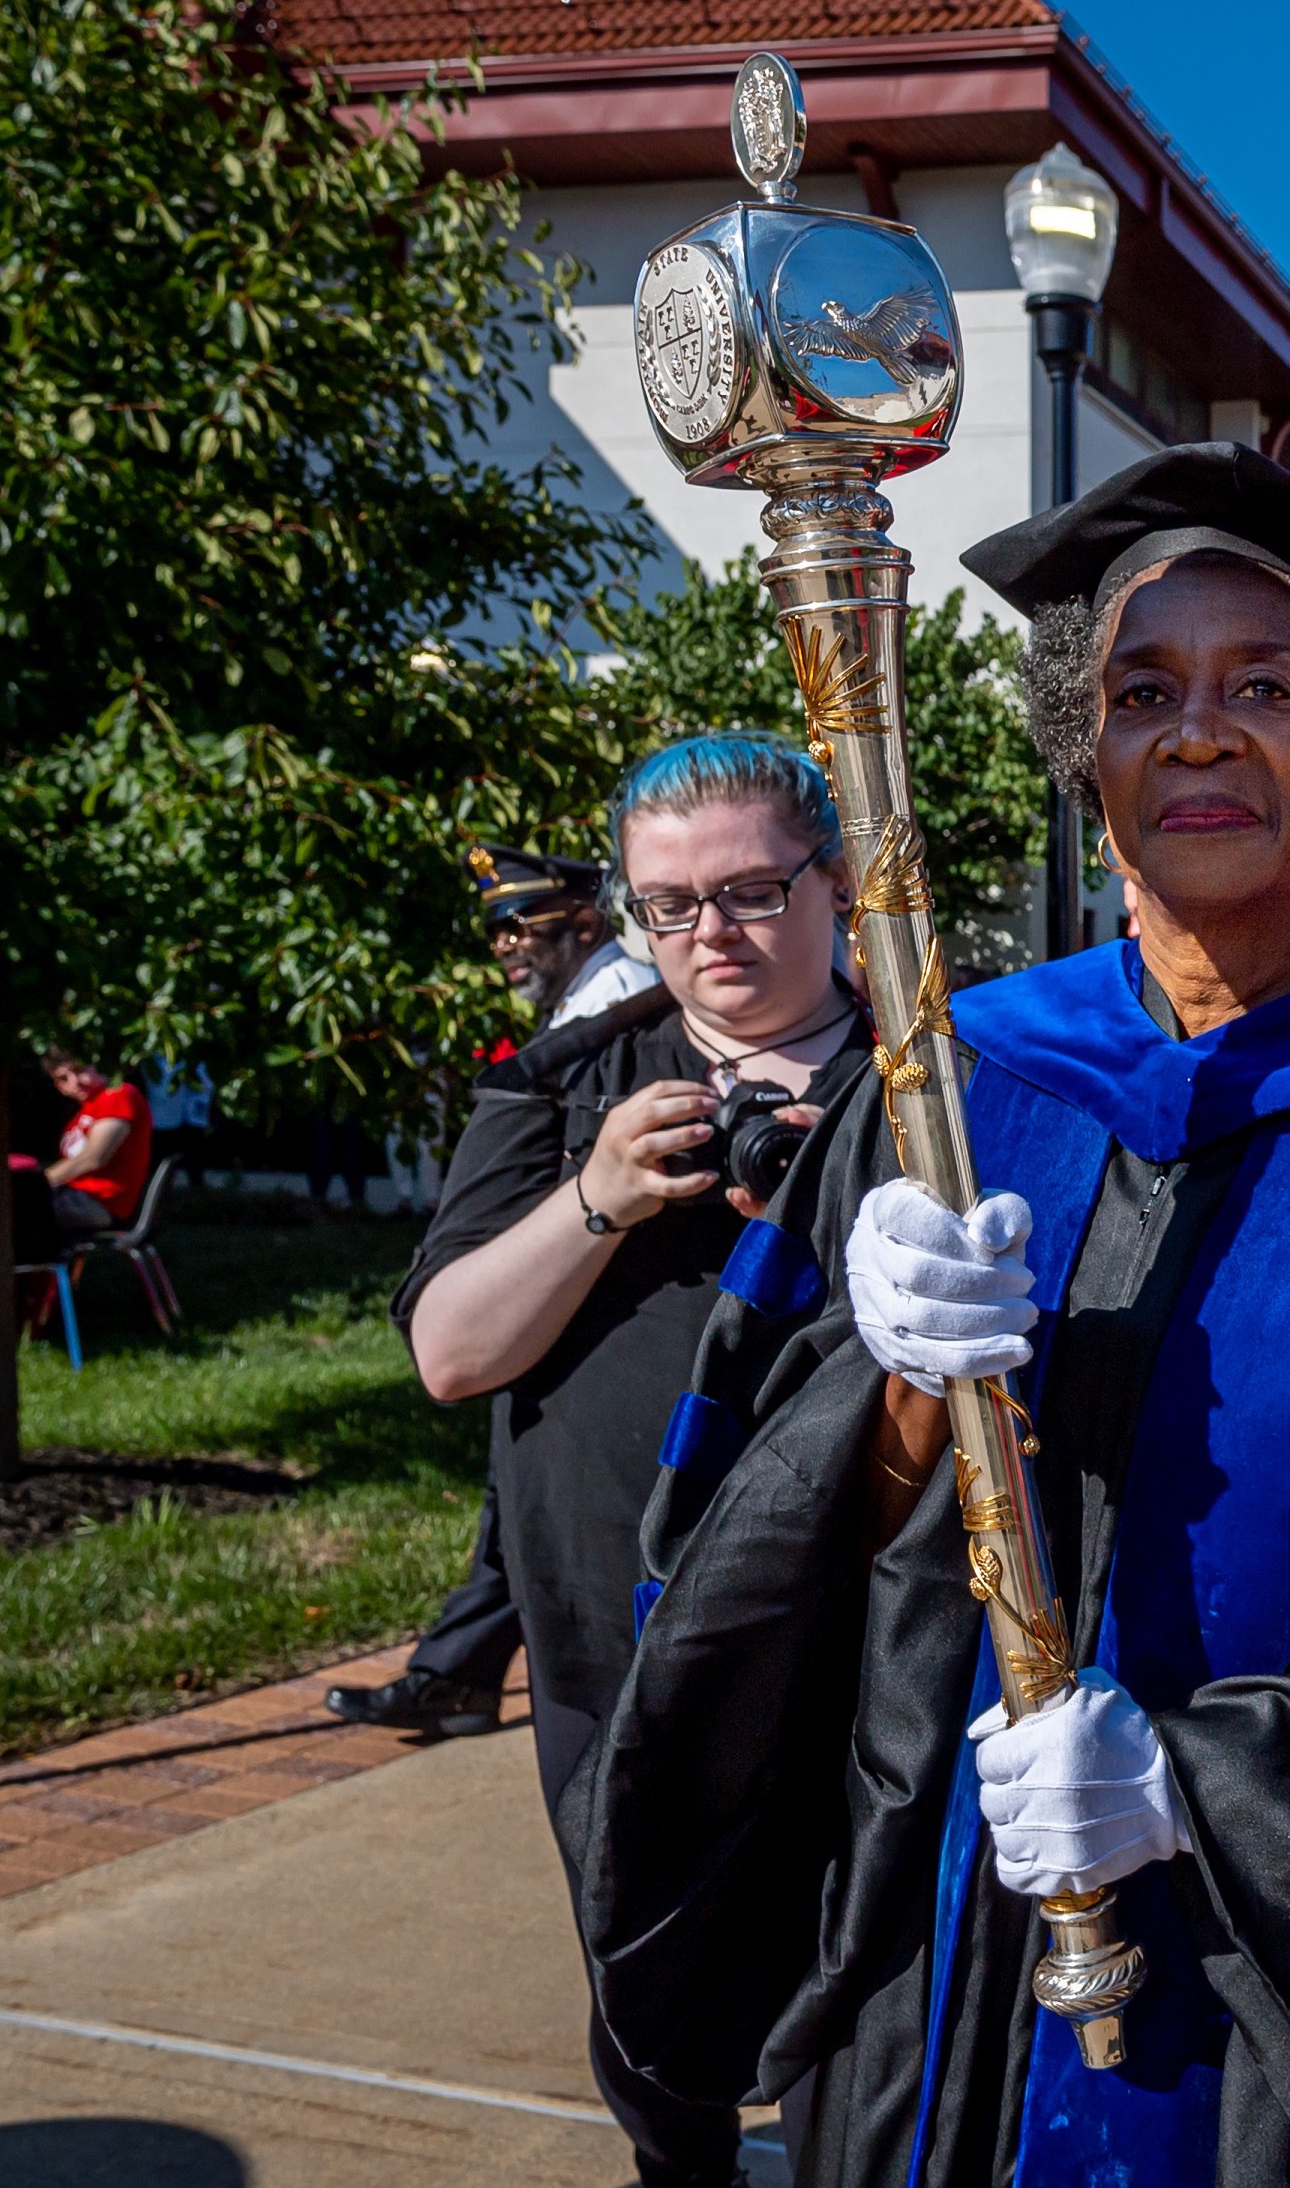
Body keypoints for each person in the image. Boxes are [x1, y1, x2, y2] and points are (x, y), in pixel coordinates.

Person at [570, 443, 1290, 2188]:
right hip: (950, 1968)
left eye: (1264, 686)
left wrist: (1208, 1784)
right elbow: (730, 1581)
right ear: (1089, 762)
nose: (1196, 731)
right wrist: (880, 1392)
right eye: (1141, 691)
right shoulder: (942, 1084)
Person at [387, 735, 869, 2188]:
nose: (709, 933)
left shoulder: (945, 1076)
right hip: (620, 1625)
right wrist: (594, 1199)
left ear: (836, 887)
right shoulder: (564, 1084)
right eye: (667, 904)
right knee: (646, 1970)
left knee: (872, 1971)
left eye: (749, 890)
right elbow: (451, 1352)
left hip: (870, 1625)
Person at [333, 836, 681, 1744]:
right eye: (496, 933)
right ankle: (456, 1674)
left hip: (585, 1310)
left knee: (529, 1518)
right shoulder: (579, 1005)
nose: (507, 947)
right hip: (530, 1307)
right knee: (515, 1512)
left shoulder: (613, 1012)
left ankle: (452, 1674)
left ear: (587, 918)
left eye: (523, 924)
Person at [475, 841, 662, 1030]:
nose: (501, 948)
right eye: (494, 934)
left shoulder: (622, 1003)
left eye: (515, 928)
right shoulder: (580, 1002)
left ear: (585, 926)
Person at [39, 1051, 152, 1235]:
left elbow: (93, 1158)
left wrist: (39, 1182)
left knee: (9, 1211)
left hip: (101, 1202)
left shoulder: (117, 1094)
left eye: (79, 1070)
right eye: (64, 1078)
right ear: (60, 1087)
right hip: (78, 1197)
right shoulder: (84, 1113)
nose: (75, 1081)